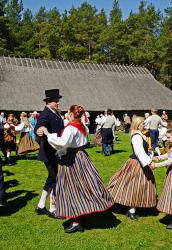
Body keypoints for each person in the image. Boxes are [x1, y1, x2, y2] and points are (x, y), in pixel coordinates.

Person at [39, 105, 114, 233]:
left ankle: (76, 221)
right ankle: (81, 215)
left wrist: (47, 133)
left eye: (68, 112)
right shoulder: (82, 126)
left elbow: (62, 143)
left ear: (72, 114)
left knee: (72, 189)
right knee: (83, 187)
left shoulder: (71, 128)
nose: (67, 114)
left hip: (72, 159)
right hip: (82, 156)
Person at [108, 116, 157, 220]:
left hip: (140, 162)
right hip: (137, 164)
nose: (145, 125)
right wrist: (149, 162)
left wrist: (150, 155)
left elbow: (143, 151)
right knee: (134, 186)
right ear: (138, 124)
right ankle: (131, 210)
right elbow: (139, 152)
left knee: (140, 186)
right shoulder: (136, 136)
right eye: (143, 123)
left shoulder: (140, 135)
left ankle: (136, 206)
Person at [34, 89, 64, 218]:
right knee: (55, 178)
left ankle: (40, 206)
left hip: (55, 151)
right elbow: (40, 125)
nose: (58, 103)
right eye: (56, 101)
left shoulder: (55, 113)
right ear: (49, 102)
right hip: (49, 152)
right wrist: (39, 130)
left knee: (52, 178)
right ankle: (52, 208)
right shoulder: (45, 114)